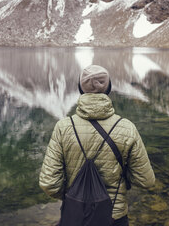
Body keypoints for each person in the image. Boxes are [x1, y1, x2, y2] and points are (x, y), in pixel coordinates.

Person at [39, 65, 155, 226]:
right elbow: (146, 181)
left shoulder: (63, 127)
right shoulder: (127, 128)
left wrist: (73, 196)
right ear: (108, 88)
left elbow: (49, 183)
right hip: (114, 217)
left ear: (81, 88)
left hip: (75, 215)